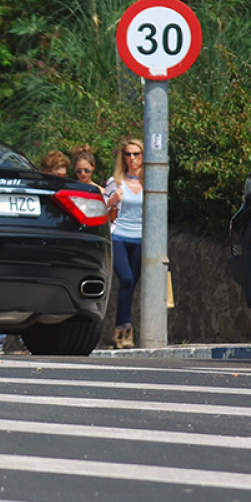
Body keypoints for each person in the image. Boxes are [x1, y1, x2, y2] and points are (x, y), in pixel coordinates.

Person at [105, 138, 144, 349]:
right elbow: (101, 208)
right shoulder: (115, 181)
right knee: (126, 280)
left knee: (131, 285)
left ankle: (121, 327)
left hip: (140, 239)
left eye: (137, 154)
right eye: (128, 154)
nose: (133, 159)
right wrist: (111, 200)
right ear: (123, 158)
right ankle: (125, 330)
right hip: (119, 236)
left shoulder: (149, 182)